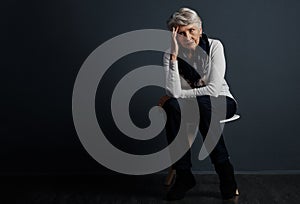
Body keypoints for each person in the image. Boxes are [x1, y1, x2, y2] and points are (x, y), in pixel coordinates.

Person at [159, 7, 240, 201]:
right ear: (174, 35)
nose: (187, 36)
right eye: (180, 33)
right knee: (172, 106)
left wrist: (181, 94)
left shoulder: (214, 46)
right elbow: (172, 92)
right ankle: (184, 175)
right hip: (195, 105)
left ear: (200, 29)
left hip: (221, 101)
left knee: (202, 104)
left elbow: (213, 90)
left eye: (191, 30)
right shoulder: (170, 55)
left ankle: (224, 172)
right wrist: (173, 57)